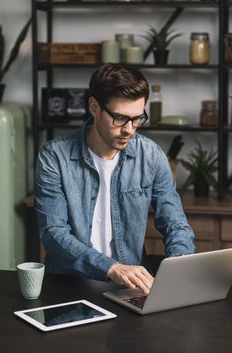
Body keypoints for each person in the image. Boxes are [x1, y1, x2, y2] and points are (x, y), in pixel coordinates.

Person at [35, 63, 195, 295]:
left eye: (138, 119)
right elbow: (53, 233)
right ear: (94, 107)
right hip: (68, 286)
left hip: (130, 289)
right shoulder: (54, 157)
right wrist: (111, 268)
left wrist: (178, 264)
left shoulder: (151, 156)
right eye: (120, 118)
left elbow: (175, 224)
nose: (130, 130)